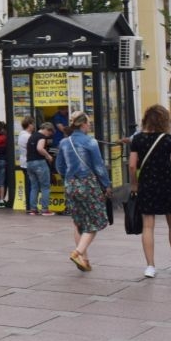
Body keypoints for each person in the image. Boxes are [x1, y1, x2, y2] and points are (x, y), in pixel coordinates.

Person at [129, 104, 171, 278]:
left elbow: (132, 165)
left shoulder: (137, 139)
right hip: (166, 184)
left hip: (146, 184)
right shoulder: (168, 139)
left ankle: (150, 267)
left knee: (148, 225)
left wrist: (134, 185)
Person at [56, 111, 111, 272]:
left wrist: (68, 177)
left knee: (78, 222)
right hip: (87, 184)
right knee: (95, 221)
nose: (90, 125)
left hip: (70, 185)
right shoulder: (90, 142)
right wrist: (107, 185)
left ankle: (85, 260)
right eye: (88, 122)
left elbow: (59, 166)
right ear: (82, 124)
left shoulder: (64, 143)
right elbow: (99, 167)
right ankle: (77, 252)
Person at [25, 122, 53, 216]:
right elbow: (40, 148)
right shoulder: (41, 137)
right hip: (39, 163)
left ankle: (33, 209)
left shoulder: (32, 136)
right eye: (49, 133)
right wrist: (48, 156)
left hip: (29, 163)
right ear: (47, 129)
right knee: (45, 186)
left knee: (34, 186)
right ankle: (45, 209)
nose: (48, 135)